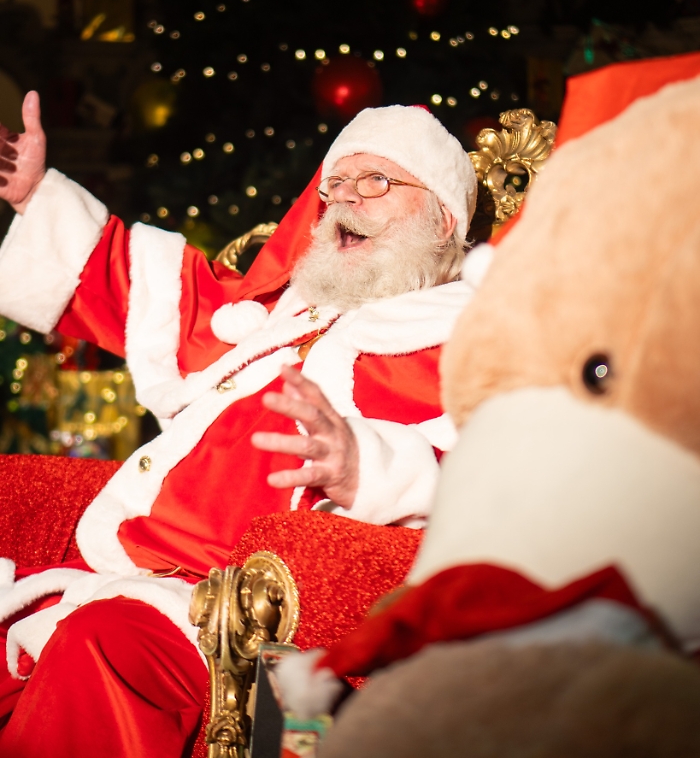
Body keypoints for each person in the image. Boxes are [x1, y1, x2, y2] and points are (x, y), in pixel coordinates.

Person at [0, 93, 478, 756]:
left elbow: (507, 467)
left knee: (102, 647)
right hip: (126, 565)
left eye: (377, 181)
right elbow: (161, 301)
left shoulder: (473, 332)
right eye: (336, 183)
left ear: (443, 217)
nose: (345, 199)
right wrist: (37, 198)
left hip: (233, 607)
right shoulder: (283, 315)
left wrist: (363, 466)